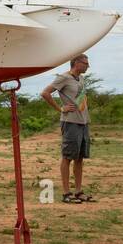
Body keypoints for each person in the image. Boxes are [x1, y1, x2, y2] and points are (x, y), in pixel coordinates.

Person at [41, 54, 94, 203]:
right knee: (68, 157)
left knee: (80, 157)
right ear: (76, 63)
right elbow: (45, 93)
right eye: (85, 63)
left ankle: (78, 191)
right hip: (70, 122)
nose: (87, 66)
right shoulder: (63, 78)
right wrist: (60, 109)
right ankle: (66, 193)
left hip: (83, 122)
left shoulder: (81, 79)